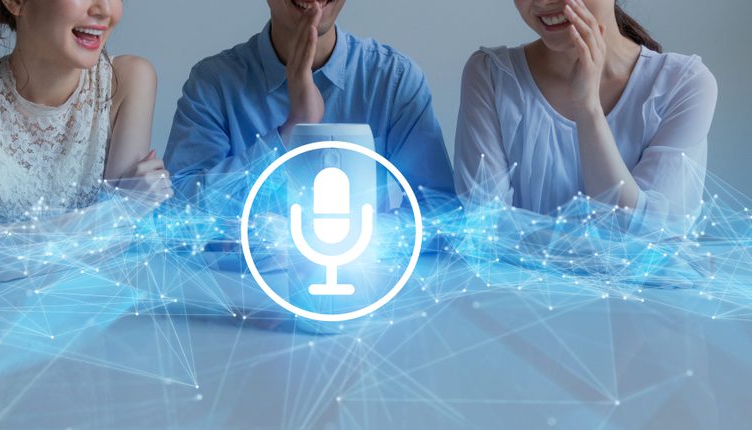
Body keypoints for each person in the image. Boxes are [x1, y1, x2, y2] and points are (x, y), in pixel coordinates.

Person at [163, 0, 455, 219]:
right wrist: (291, 131)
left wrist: (358, 234)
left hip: (366, 290)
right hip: (239, 295)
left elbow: (440, 210)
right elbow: (176, 214)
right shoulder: (213, 84)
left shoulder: (393, 80)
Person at [454, 0, 718, 235]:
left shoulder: (683, 84)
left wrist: (587, 107)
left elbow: (646, 236)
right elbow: (485, 228)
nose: (543, 3)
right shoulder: (491, 75)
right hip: (518, 290)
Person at [0, 0, 172, 236]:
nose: (105, 9)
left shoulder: (128, 79)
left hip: (95, 288)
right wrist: (117, 211)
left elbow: (116, 242)